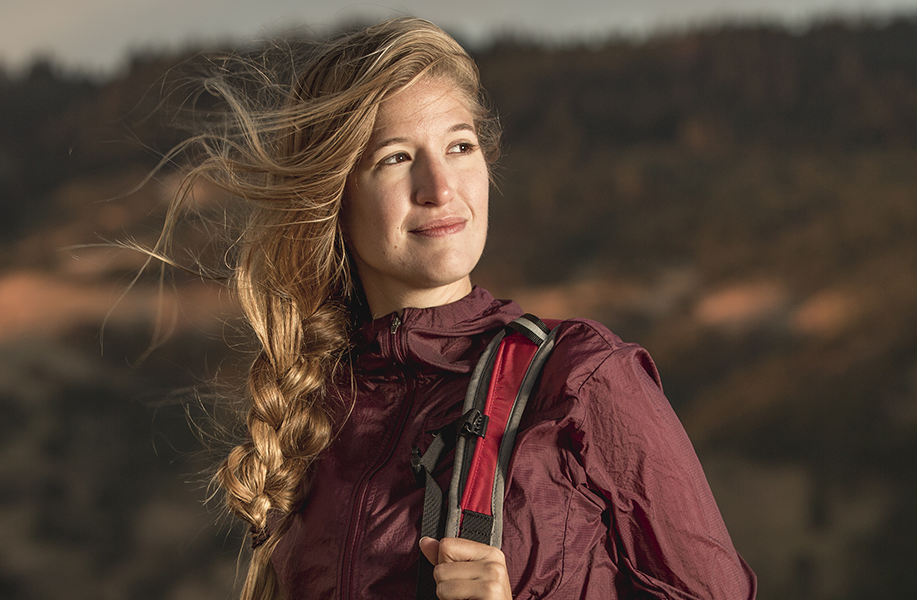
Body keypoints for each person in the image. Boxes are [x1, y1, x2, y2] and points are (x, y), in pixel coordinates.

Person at [148, 16, 757, 600]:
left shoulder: (582, 378)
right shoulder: (311, 411)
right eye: (395, 158)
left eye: (460, 147)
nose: (440, 188)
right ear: (332, 195)